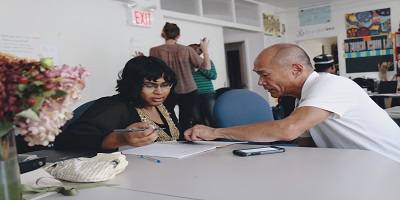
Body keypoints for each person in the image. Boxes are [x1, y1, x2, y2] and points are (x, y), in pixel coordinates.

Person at [184, 43, 400, 163]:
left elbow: (288, 130)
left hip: (390, 169)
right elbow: (306, 148)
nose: (260, 82)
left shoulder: (331, 85)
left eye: (265, 74)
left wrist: (214, 132)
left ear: (296, 69)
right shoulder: (304, 100)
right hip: (358, 168)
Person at [54, 56, 183, 151]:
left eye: (165, 85)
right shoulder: (115, 107)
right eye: (150, 86)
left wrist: (193, 134)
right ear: (133, 85)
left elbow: (173, 138)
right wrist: (120, 139)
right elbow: (68, 140)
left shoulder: (162, 105)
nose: (159, 92)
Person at [149, 22, 211, 131]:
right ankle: (184, 143)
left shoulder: (154, 50)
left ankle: (174, 141)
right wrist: (205, 49)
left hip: (166, 90)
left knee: (169, 120)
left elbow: (152, 71)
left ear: (163, 34)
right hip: (188, 89)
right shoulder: (186, 50)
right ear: (178, 36)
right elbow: (206, 67)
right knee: (185, 121)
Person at [189, 43, 217, 127]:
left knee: (212, 117)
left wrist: (200, 69)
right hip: (193, 94)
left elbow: (213, 76)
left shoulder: (208, 62)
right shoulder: (186, 65)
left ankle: (216, 136)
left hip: (208, 93)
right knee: (197, 119)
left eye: (194, 50)